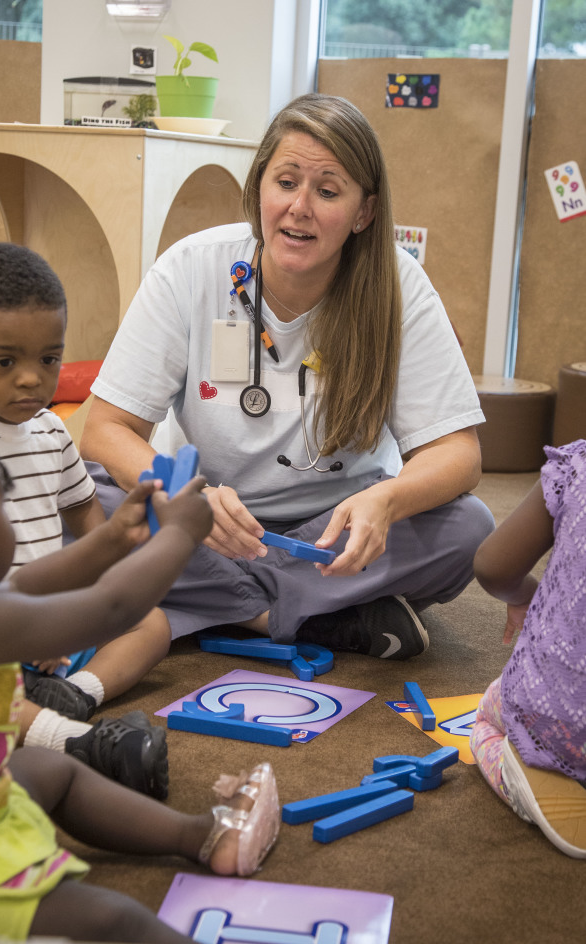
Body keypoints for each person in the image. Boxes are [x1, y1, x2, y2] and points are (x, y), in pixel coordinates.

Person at [81, 93, 495, 659]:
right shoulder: (189, 267)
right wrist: (187, 498)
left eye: (327, 192)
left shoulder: (400, 286)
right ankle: (293, 616)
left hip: (336, 530)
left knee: (468, 530)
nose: (299, 207)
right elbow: (104, 430)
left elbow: (459, 454)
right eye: (285, 183)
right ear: (258, 189)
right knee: (71, 499)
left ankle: (216, 607)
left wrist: (391, 501)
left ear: (363, 213)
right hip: (210, 517)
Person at [0, 415, 280, 943]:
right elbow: (111, 607)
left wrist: (114, 538)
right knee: (117, 921)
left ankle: (200, 835)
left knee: (48, 769)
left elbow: (26, 584)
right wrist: (182, 534)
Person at [0, 242, 173, 797]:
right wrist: (18, 628)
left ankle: (76, 695)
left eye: (48, 360)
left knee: (152, 623)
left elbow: (84, 510)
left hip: (50, 622)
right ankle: (71, 740)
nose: (31, 380)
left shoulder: (50, 431)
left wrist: (96, 589)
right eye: (4, 362)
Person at [470, 439, 586, 858]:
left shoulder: (579, 465)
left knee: (487, 716)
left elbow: (492, 565)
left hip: (556, 718)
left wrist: (526, 594)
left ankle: (521, 758)